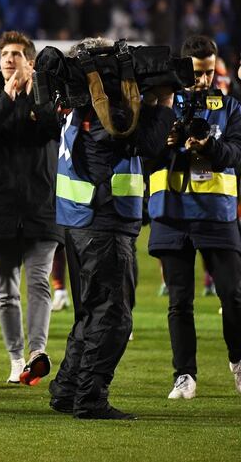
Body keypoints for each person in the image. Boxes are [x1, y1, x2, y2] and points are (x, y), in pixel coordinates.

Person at [48, 37, 175, 419]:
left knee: (91, 311)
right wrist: (163, 104)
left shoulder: (74, 104)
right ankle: (90, 398)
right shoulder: (110, 112)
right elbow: (150, 146)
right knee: (113, 315)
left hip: (78, 220)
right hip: (104, 220)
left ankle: (67, 389)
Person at [0, 31, 63, 384]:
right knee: (7, 289)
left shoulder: (48, 98)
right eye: (5, 53)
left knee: (39, 282)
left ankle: (37, 352)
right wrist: (6, 98)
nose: (8, 59)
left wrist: (34, 95)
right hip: (1, 206)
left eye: (17, 54)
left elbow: (53, 126)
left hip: (41, 205)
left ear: (30, 63)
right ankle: (15, 358)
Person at [147, 35, 241, 399]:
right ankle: (184, 375)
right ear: (183, 69)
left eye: (209, 72)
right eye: (196, 73)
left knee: (233, 295)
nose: (203, 81)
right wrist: (165, 142)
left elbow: (236, 153)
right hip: (171, 211)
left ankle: (237, 359)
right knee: (179, 300)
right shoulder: (163, 103)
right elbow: (144, 155)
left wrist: (209, 146)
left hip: (216, 213)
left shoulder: (230, 106)